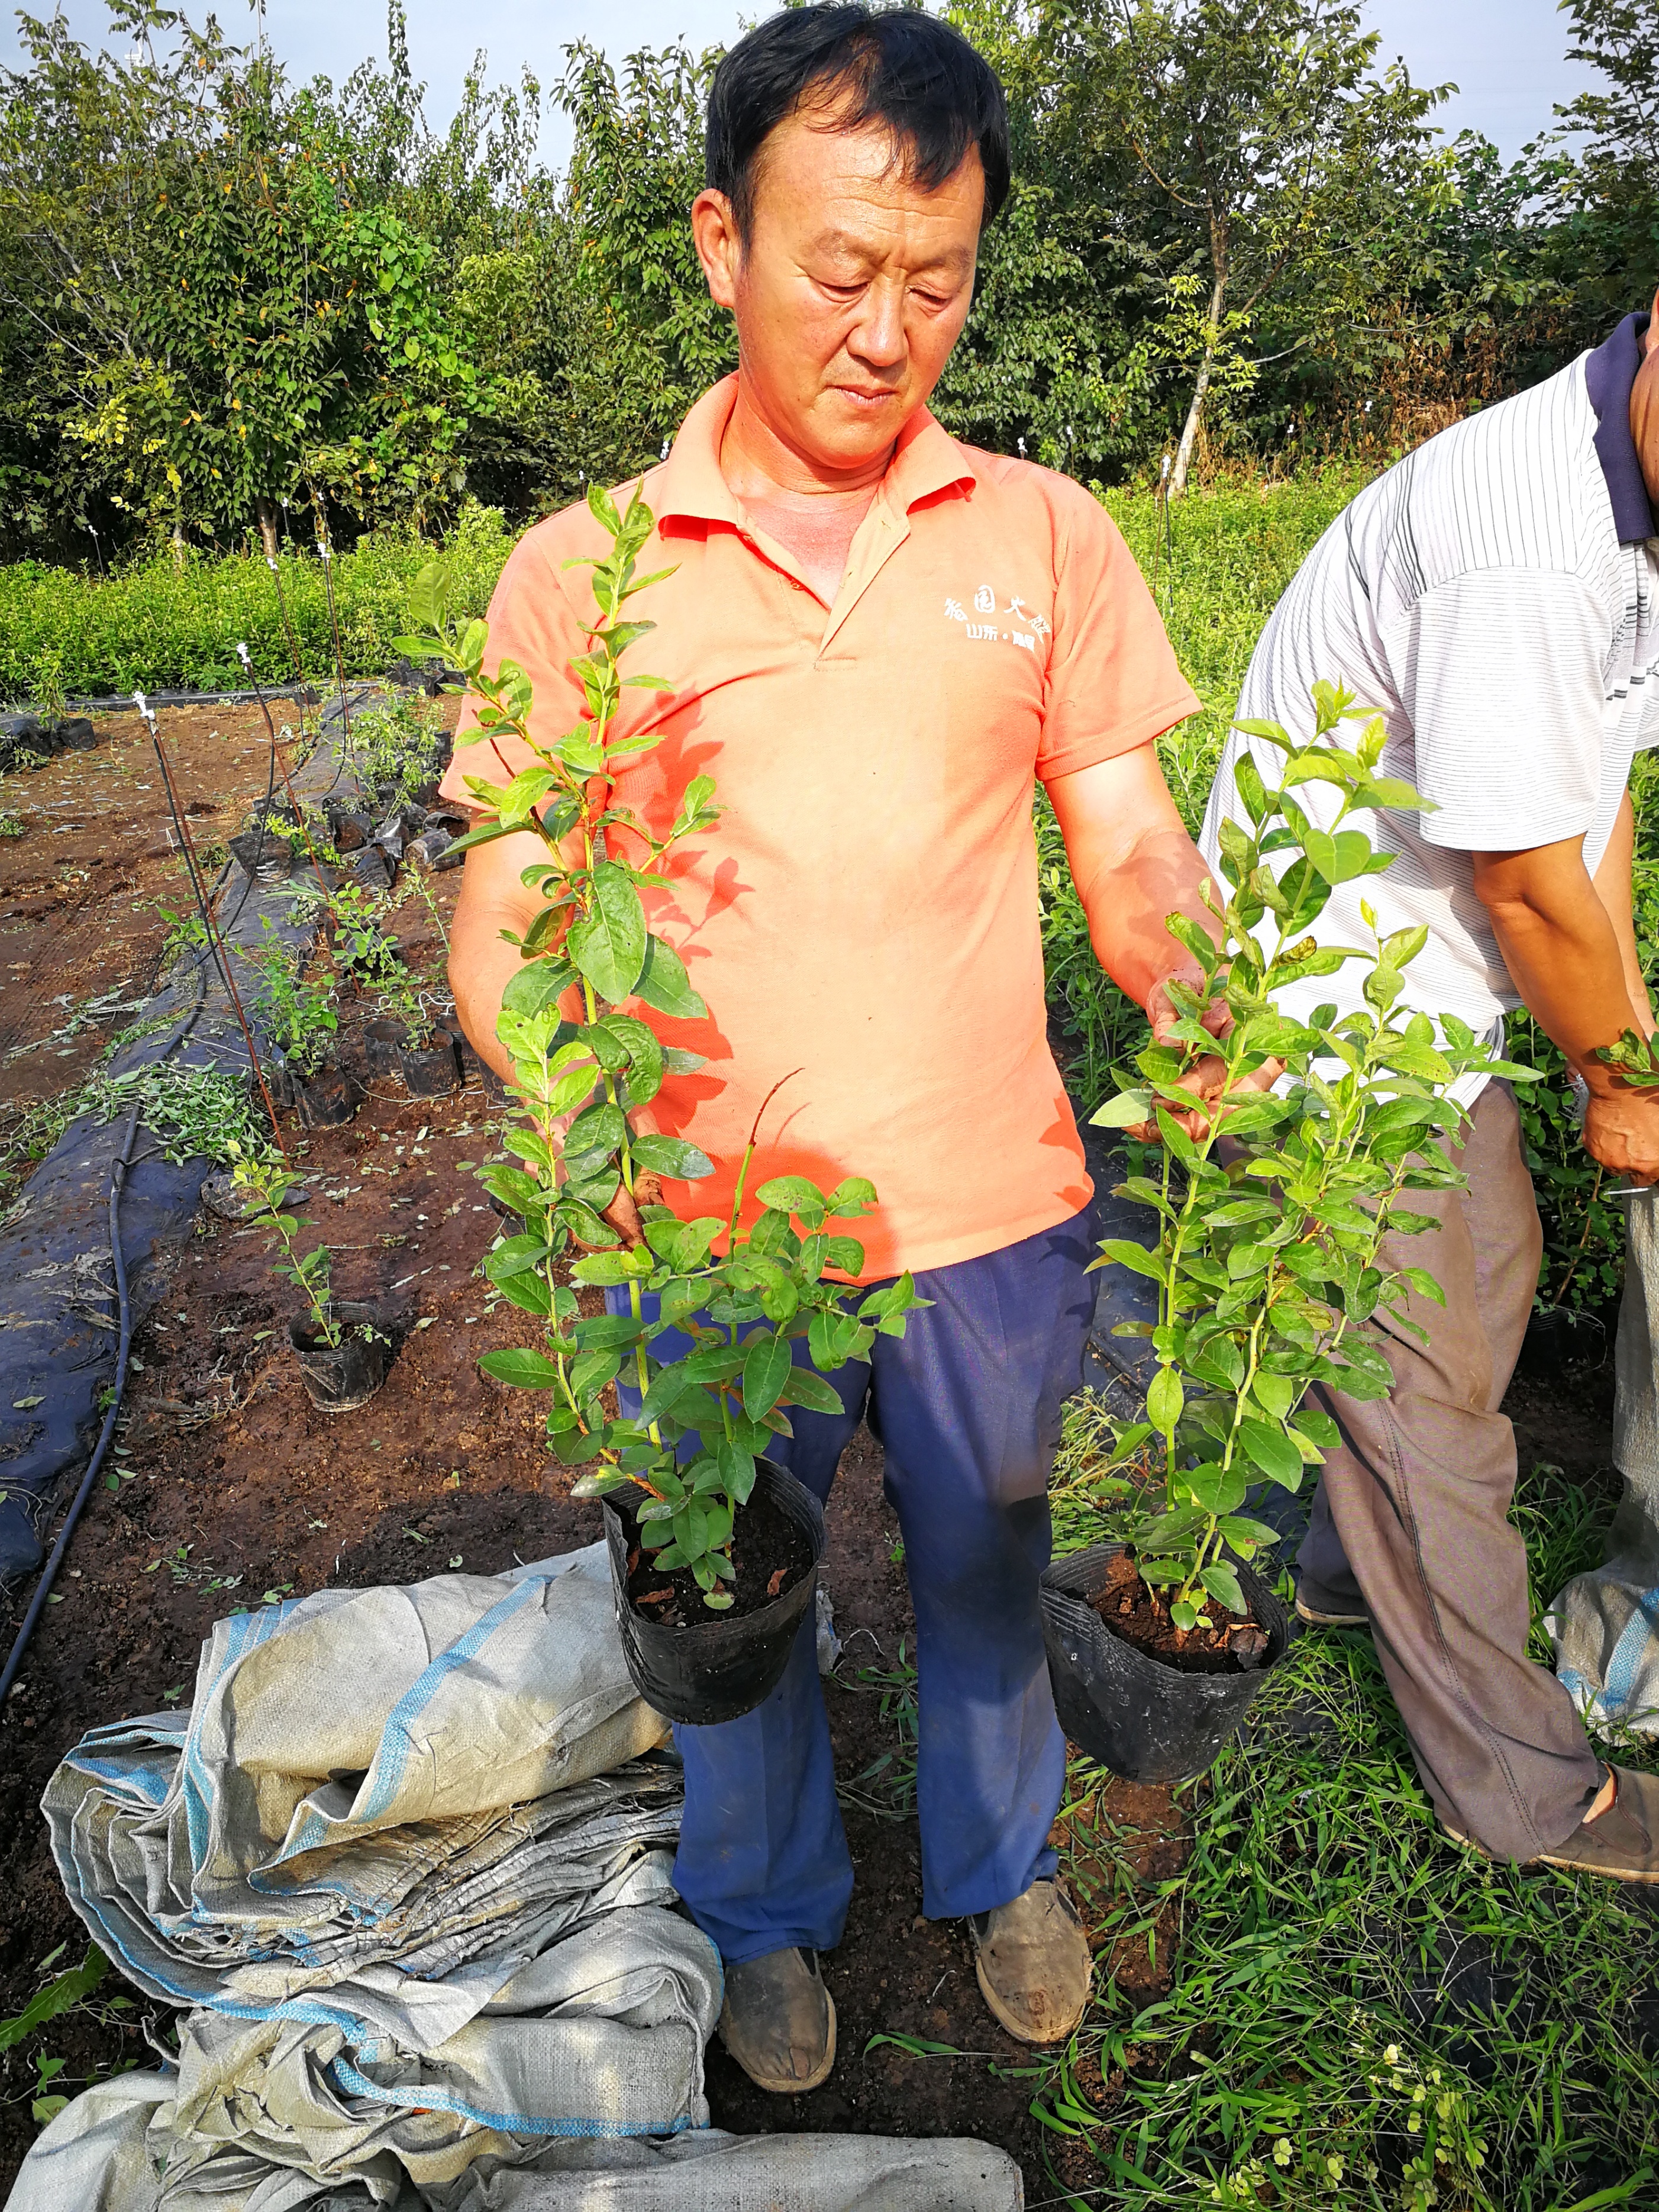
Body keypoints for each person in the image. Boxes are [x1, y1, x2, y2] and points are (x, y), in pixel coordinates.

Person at [443, 6, 1219, 2093]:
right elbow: (513, 891)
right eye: (841, 269)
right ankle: (765, 1914)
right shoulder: (583, 574)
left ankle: (994, 1864)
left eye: (939, 282)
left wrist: (1199, 995)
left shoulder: (1046, 536)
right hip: (695, 1222)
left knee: (989, 1564)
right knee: (728, 1603)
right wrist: (562, 1100)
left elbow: (1130, 841)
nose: (890, 329)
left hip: (988, 1207)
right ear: (721, 242)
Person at [1200, 296, 1659, 1880]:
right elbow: (1530, 886)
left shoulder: (1631, 519)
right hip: (1328, 1005)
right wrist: (1621, 1071)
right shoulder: (1529, 533)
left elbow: (1596, 803)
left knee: (1486, 1281)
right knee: (1427, 1410)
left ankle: (1345, 1568)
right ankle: (1527, 1788)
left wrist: (1631, 1056)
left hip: (1427, 992)